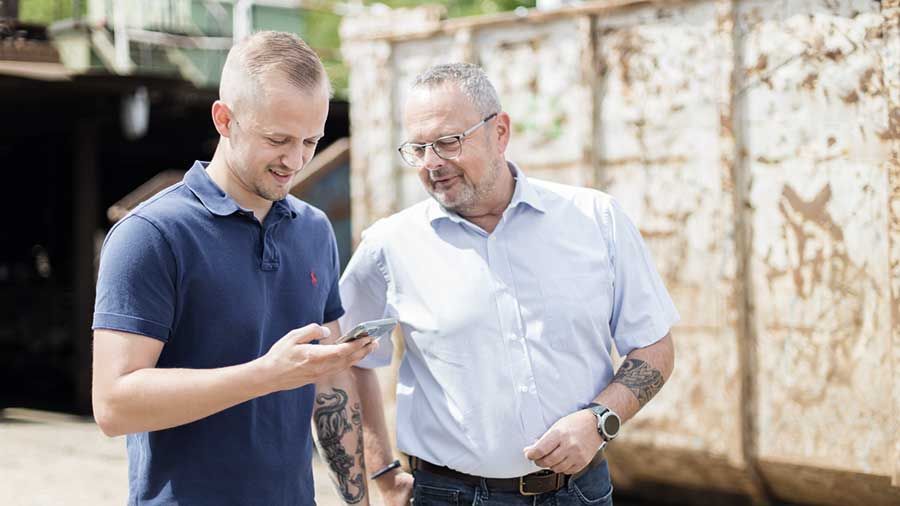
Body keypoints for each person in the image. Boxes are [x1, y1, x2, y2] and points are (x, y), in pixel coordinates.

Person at [340, 63, 679, 506]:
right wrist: (381, 472)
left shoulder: (596, 220)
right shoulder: (389, 245)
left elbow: (654, 346)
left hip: (579, 493)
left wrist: (598, 421)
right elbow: (346, 361)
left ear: (500, 131)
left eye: (447, 142)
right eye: (418, 148)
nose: (432, 163)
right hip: (448, 495)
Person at [92, 31, 375, 506]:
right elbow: (113, 404)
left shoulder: (315, 230)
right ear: (224, 119)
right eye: (277, 139)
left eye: (311, 140)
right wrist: (266, 374)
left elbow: (330, 385)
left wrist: (359, 500)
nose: (296, 160)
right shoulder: (150, 235)